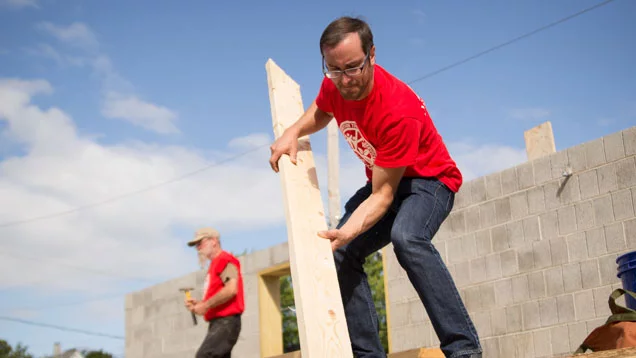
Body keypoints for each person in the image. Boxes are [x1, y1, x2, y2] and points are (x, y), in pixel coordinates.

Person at [268, 16, 482, 358]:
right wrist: (293, 131)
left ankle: (463, 349)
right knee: (339, 254)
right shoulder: (336, 83)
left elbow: (383, 197)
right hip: (387, 182)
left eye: (353, 68)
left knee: (407, 238)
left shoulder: (399, 110)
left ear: (372, 55)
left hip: (430, 182)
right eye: (334, 69)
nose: (345, 79)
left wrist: (349, 229)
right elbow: (322, 111)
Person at [185, 227, 244, 358]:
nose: (198, 248)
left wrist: (205, 305)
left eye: (200, 243)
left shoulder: (225, 259)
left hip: (226, 322)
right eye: (196, 245)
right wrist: (199, 305)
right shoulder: (214, 265)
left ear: (214, 241)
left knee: (204, 356)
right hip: (219, 323)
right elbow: (219, 297)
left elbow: (231, 289)